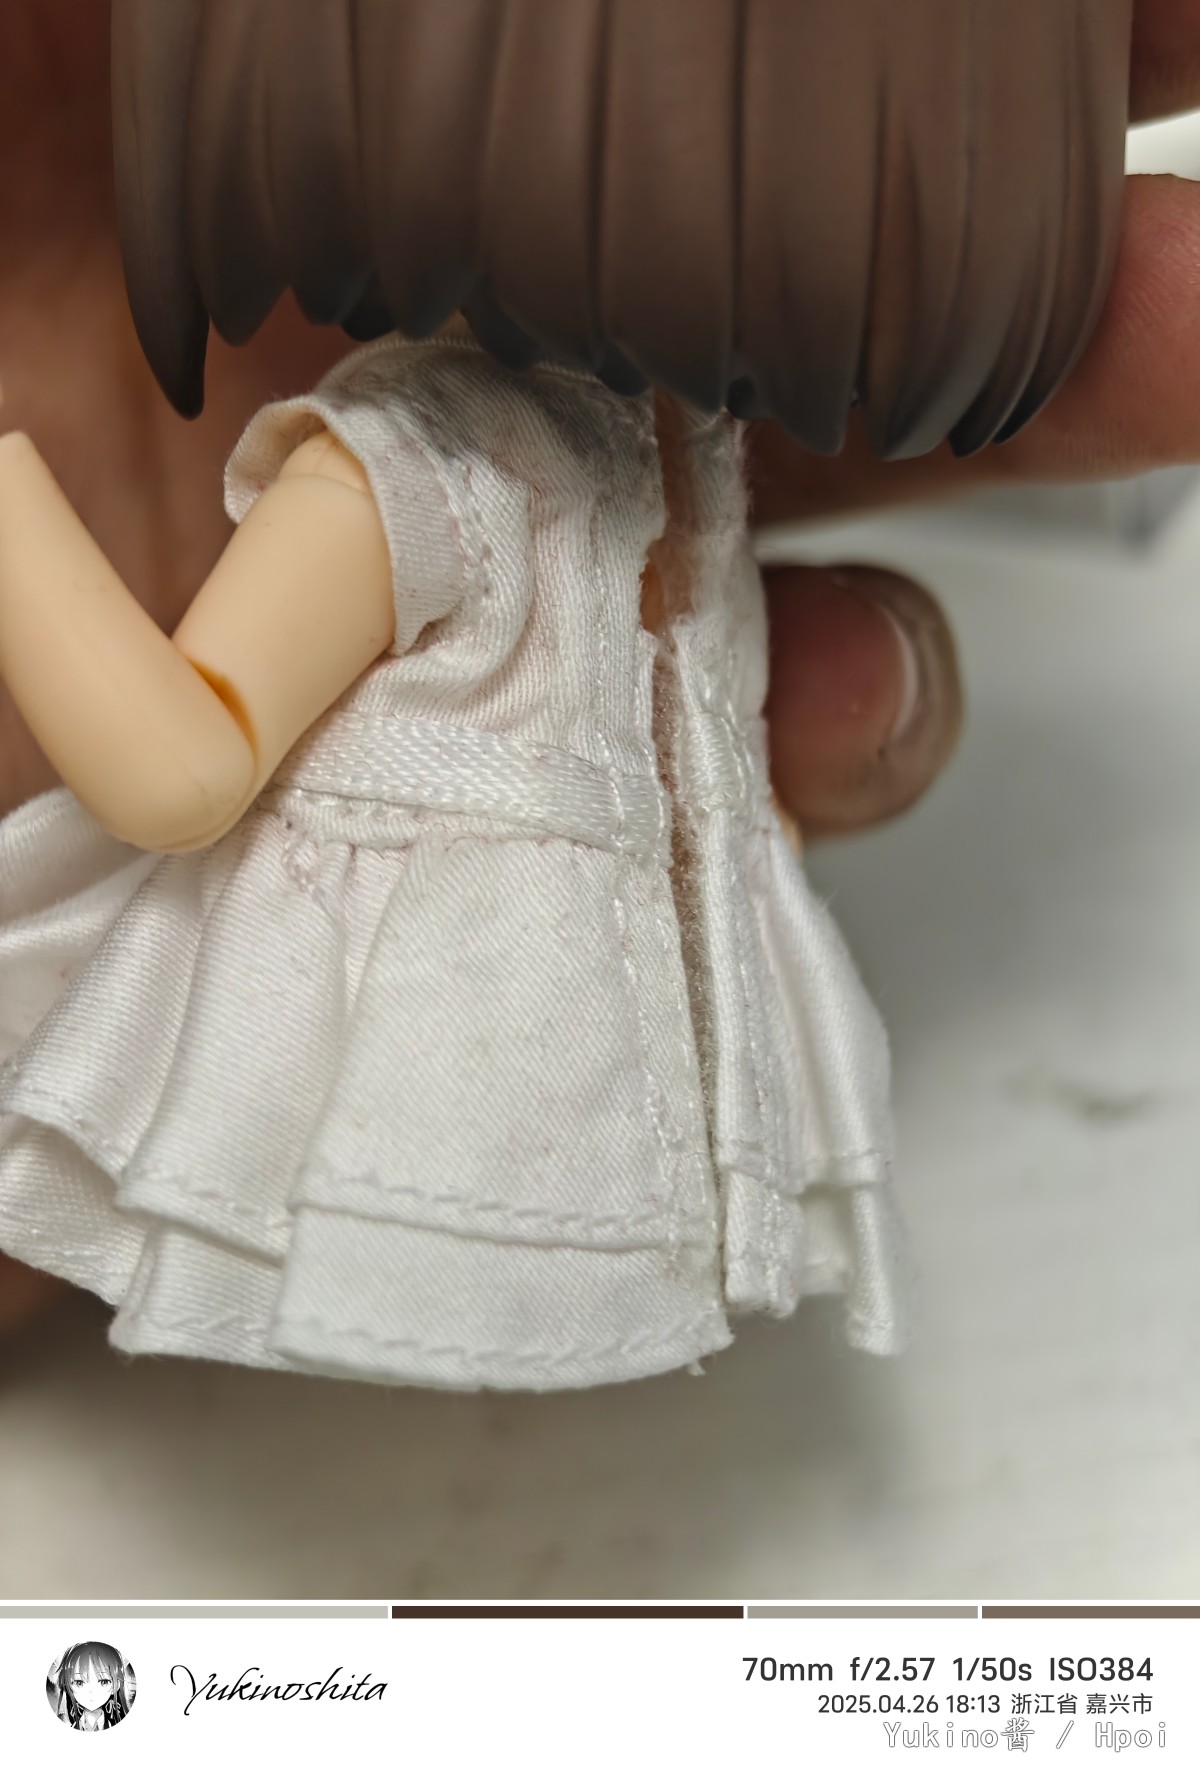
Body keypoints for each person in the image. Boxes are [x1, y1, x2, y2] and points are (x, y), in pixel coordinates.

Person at [0, 0, 1196, 1343]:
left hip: (604, 1058)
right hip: (444, 1042)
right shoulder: (416, 462)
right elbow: (179, 772)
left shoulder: (674, 456)